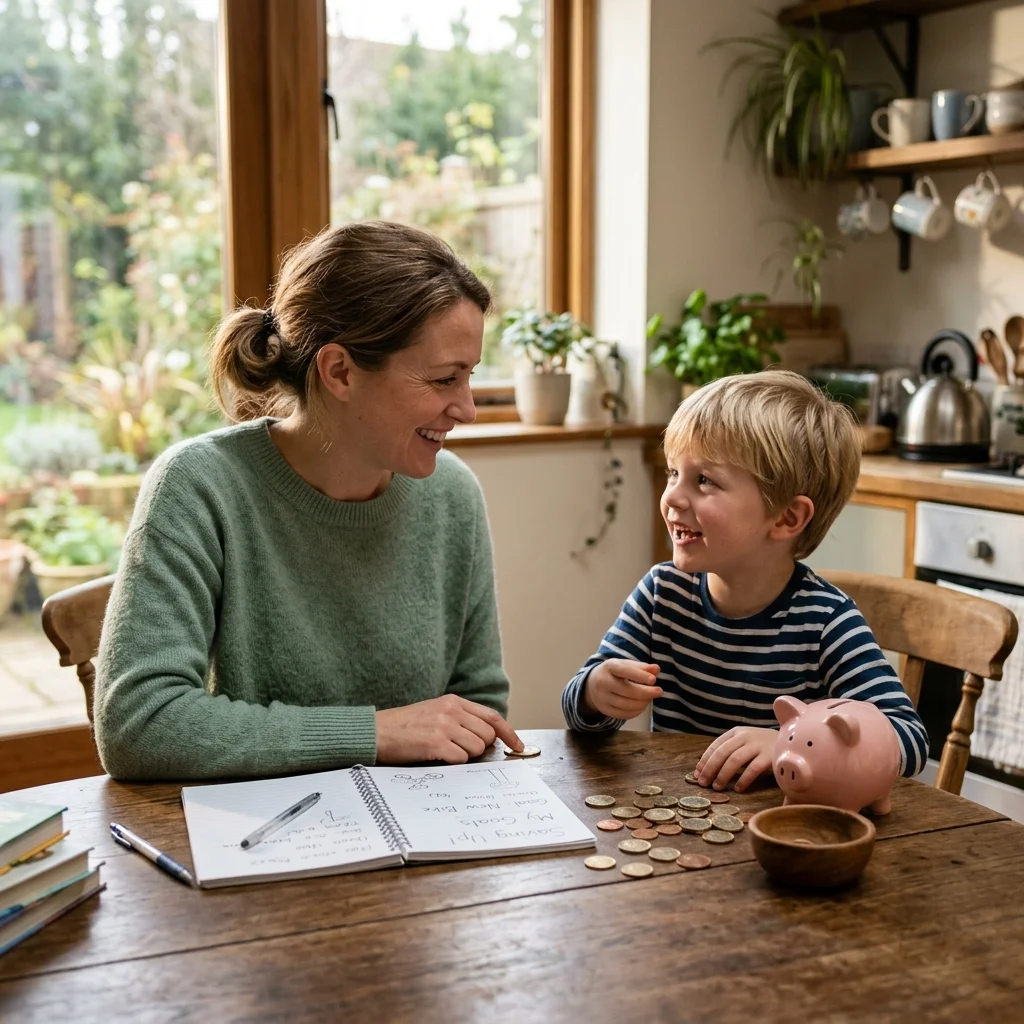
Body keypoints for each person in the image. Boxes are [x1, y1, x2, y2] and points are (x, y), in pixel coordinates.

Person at [94, 220, 523, 780]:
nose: (466, 409)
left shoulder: (454, 494)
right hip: (260, 849)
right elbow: (140, 723)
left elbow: (479, 706)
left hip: (420, 845)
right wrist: (373, 734)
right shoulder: (199, 487)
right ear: (340, 371)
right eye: (444, 380)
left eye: (470, 377)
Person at [561, 369, 928, 792]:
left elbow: (910, 740)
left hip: (785, 833)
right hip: (678, 814)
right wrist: (594, 693)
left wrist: (789, 743)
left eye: (704, 481)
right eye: (672, 473)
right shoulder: (662, 595)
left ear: (787, 517)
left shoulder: (826, 622)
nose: (673, 498)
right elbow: (581, 715)